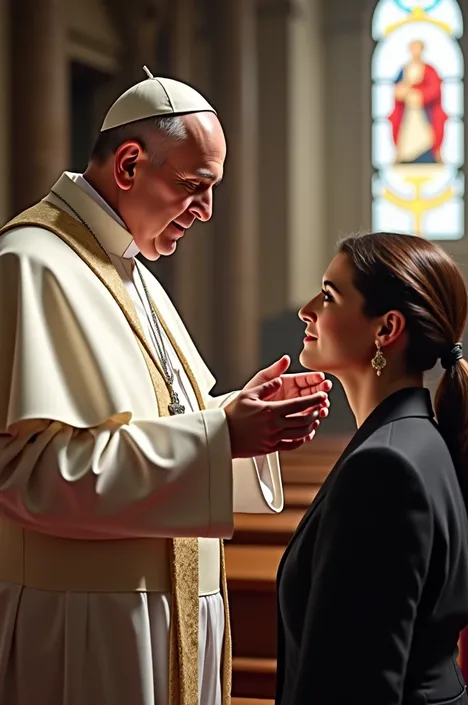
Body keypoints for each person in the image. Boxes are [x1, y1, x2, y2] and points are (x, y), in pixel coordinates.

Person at [0, 69, 332, 705]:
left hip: (166, 614)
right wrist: (220, 435)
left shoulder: (134, 269)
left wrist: (238, 416)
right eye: (193, 186)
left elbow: (161, 421)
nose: (205, 212)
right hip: (91, 627)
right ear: (129, 165)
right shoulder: (31, 263)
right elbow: (26, 473)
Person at [276, 232, 468, 705]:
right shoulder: (419, 440)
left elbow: (353, 689)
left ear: (385, 330)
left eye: (329, 295)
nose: (307, 309)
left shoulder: (384, 469)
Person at [389, 40, 447, 164]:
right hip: (408, 113)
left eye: (418, 48)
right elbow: (397, 91)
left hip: (423, 112)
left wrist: (420, 95)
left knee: (427, 137)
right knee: (407, 138)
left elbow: (434, 89)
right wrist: (405, 92)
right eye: (413, 48)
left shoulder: (429, 70)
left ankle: (430, 156)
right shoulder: (404, 70)